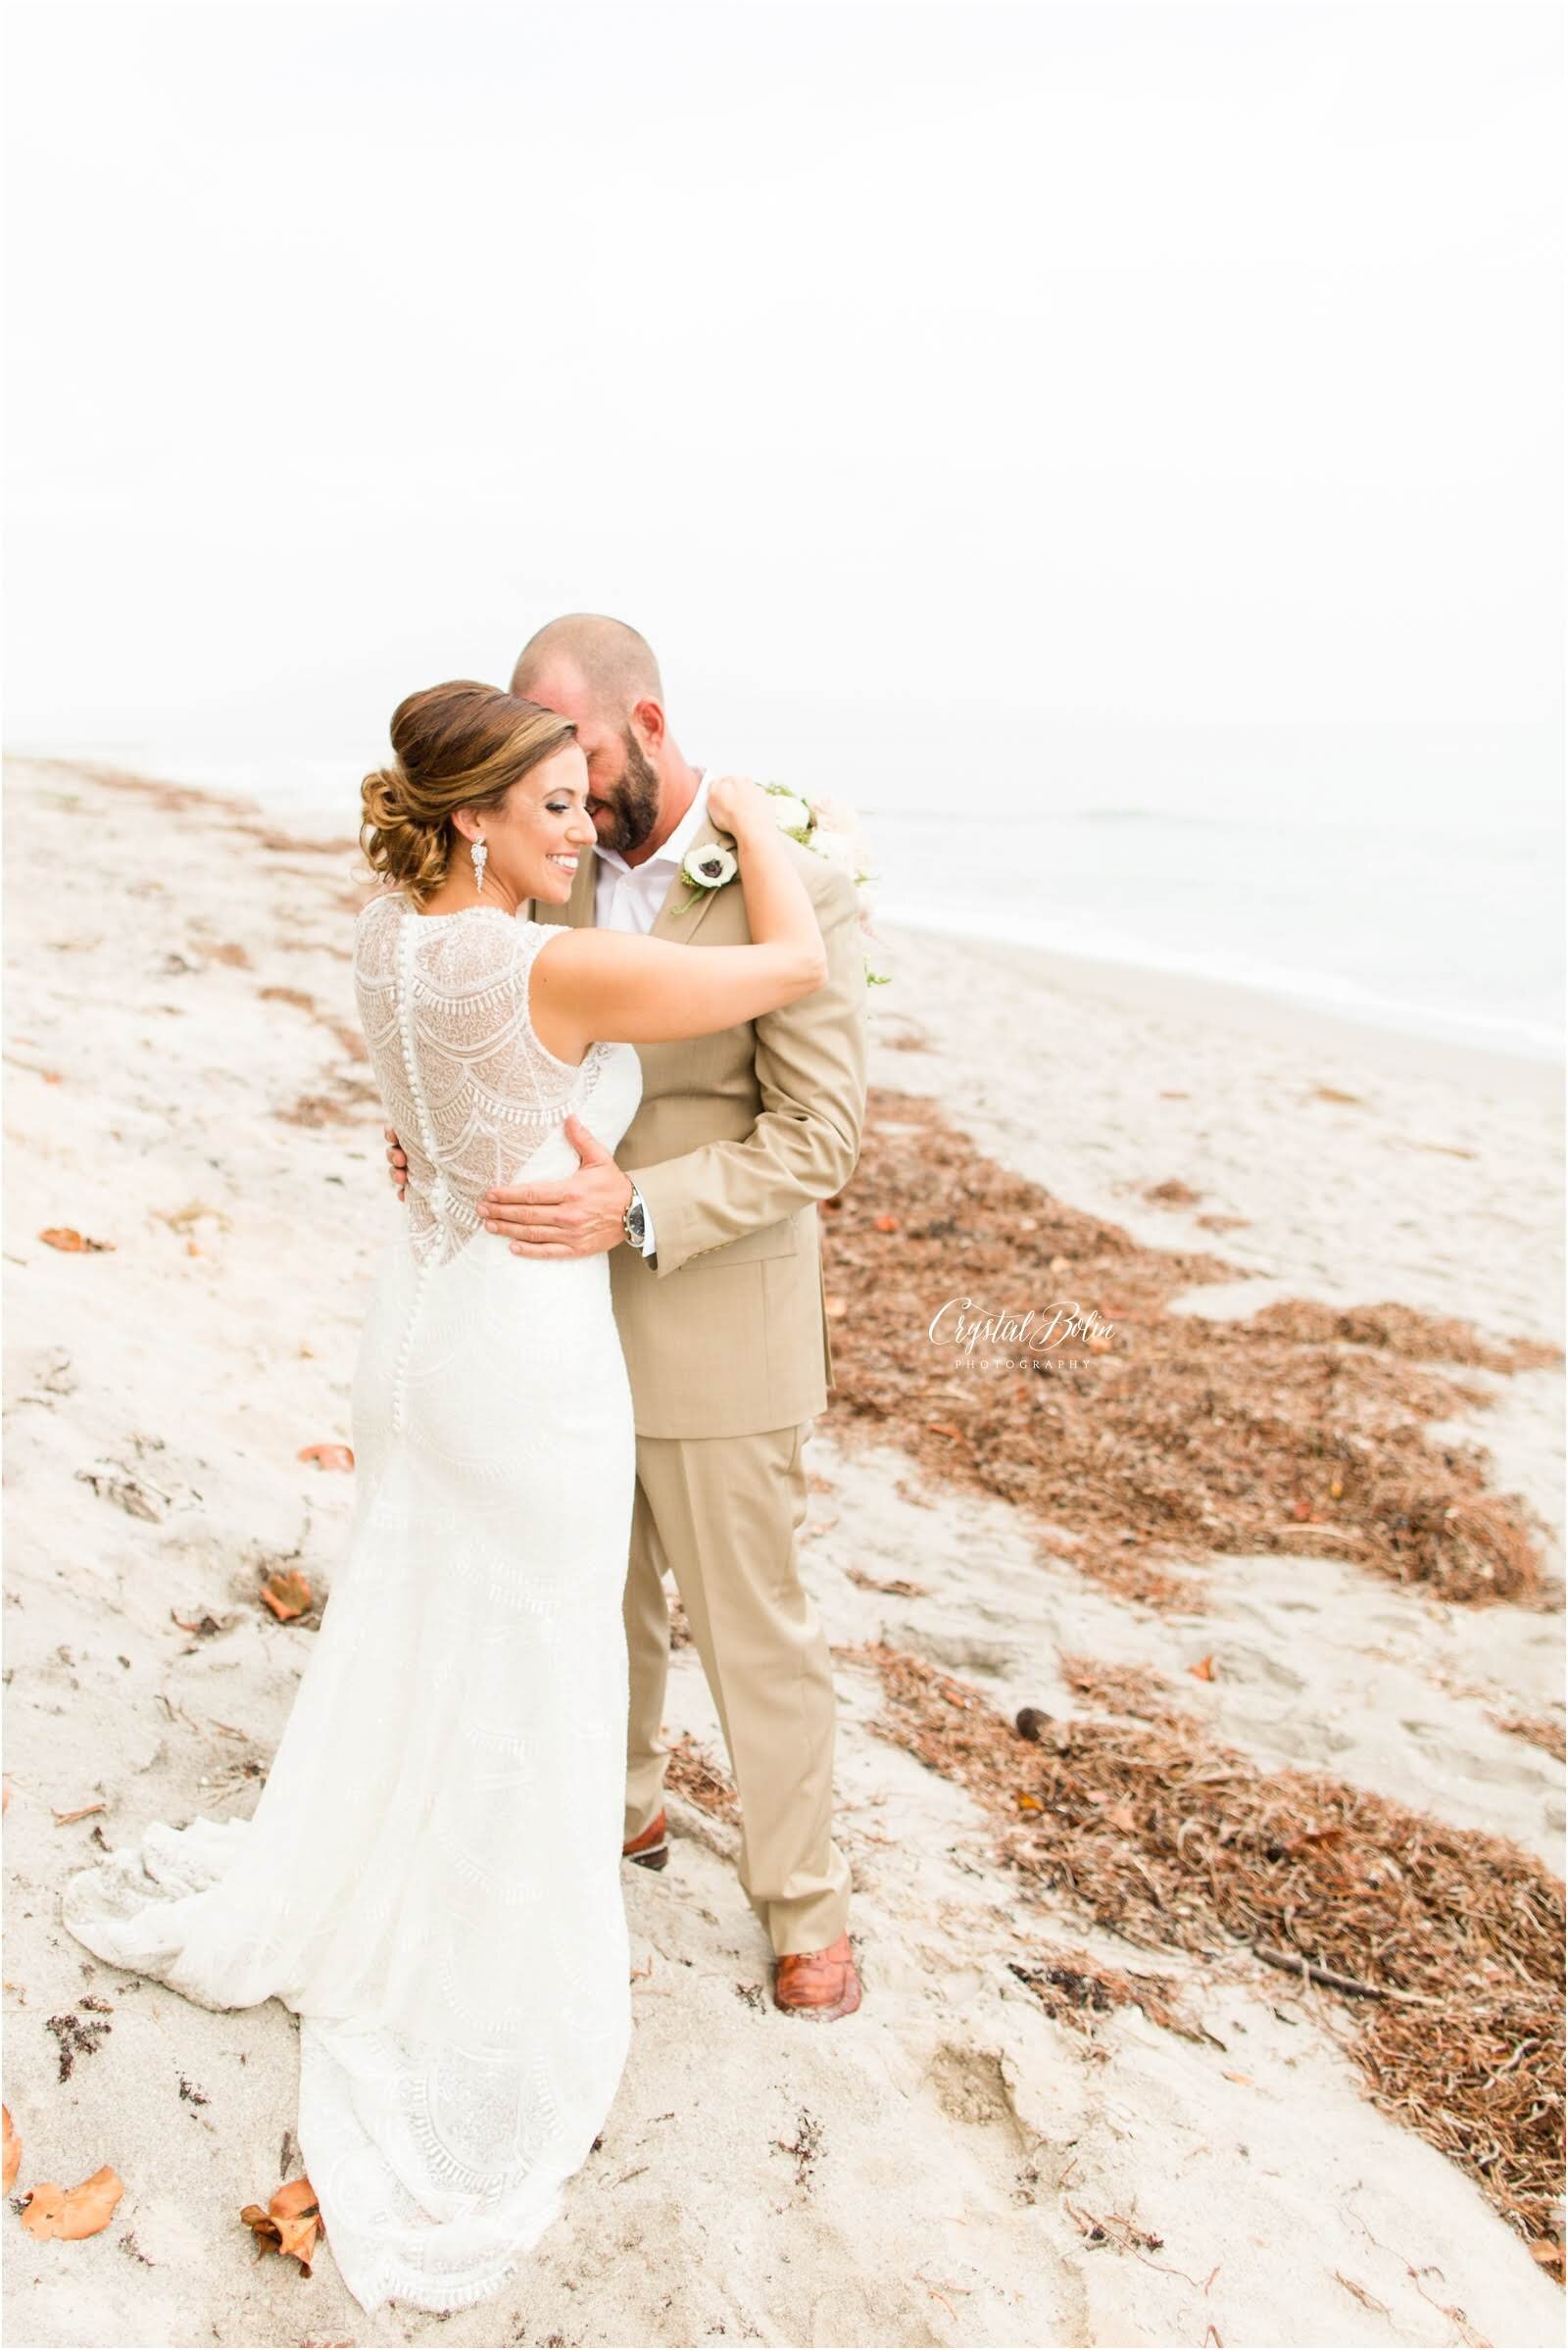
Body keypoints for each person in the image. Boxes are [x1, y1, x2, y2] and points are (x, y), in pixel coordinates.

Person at [60, 681, 829, 2316]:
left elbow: (423, 1121)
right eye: (555, 807)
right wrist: (759, 821)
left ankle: (382, 1871)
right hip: (521, 1354)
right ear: (474, 815)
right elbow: (794, 970)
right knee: (540, 1647)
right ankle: (481, 1958)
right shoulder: (544, 962)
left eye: (588, 802)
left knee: (428, 1614)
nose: (585, 831)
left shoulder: (383, 934)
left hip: (417, 1330)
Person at [384, 614, 870, 2020]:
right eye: (538, 763)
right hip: (556, 1313)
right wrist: (445, 1140)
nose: (562, 785)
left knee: (749, 1629)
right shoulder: (551, 869)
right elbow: (487, 1022)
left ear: (644, 725)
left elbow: (822, 1137)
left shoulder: (798, 890)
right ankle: (624, 1807)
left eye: (576, 751)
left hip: (719, 1315)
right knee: (601, 1608)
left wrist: (639, 1208)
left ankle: (802, 1907)